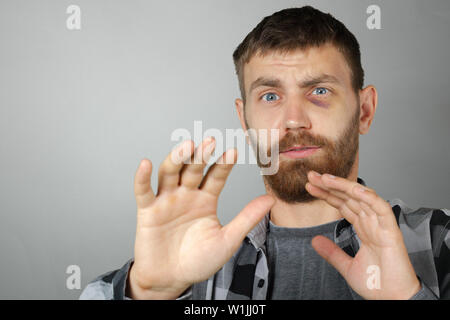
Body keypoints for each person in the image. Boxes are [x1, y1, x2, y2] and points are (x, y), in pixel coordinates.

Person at [80, 6, 449, 300]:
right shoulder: (196, 265)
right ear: (244, 119)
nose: (293, 120)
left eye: (319, 91)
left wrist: (406, 297)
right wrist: (148, 293)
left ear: (364, 110)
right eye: (270, 96)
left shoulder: (439, 241)